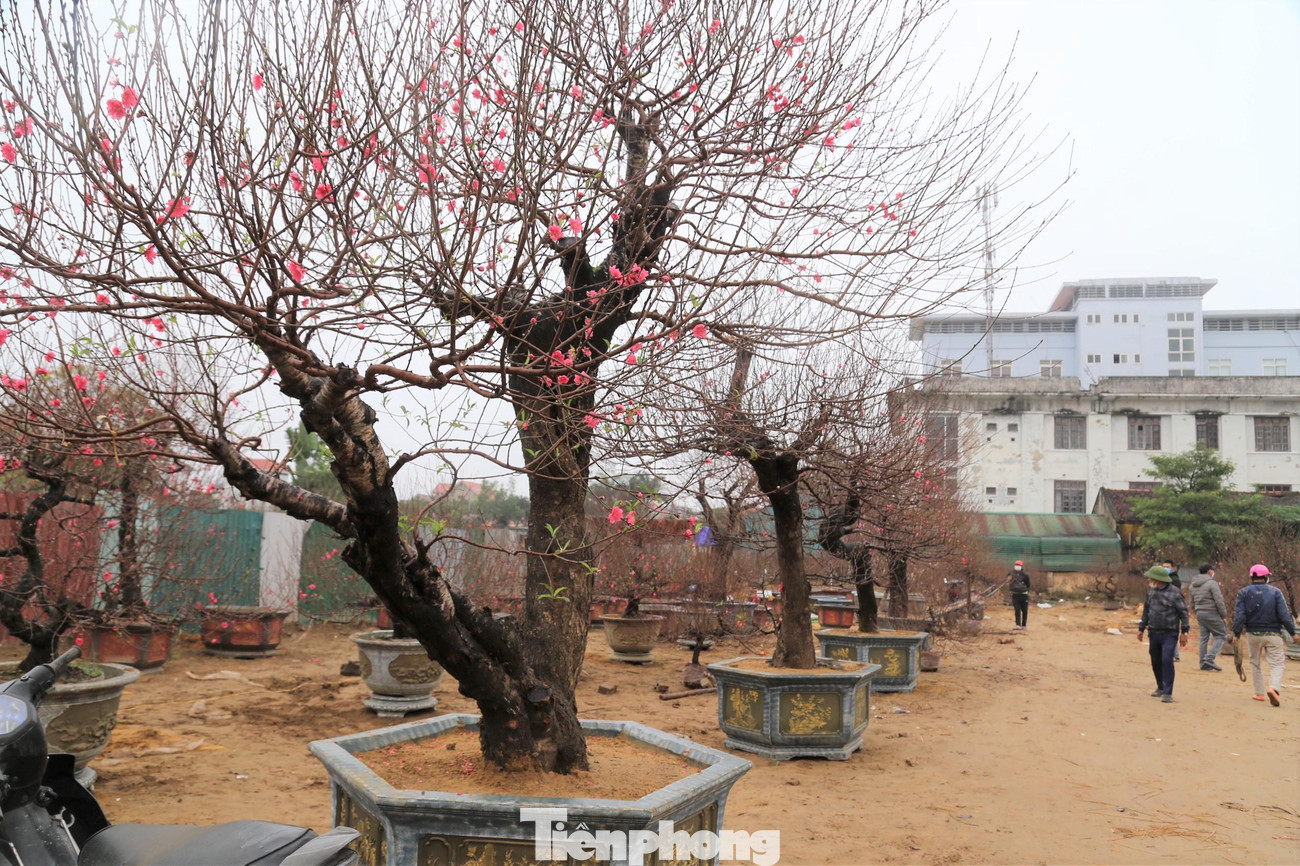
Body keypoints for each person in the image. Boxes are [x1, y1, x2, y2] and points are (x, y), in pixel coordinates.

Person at [1232, 563, 1297, 707]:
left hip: (1252, 634)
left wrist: (1236, 634)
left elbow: (1240, 616)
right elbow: (1284, 615)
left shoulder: (1243, 593)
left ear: (1252, 577)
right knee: (1277, 664)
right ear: (1266, 577)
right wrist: (1293, 633)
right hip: (1273, 634)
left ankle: (1259, 693)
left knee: (1255, 663)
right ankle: (1273, 688)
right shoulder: (1275, 592)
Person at [1137, 565, 1190, 703]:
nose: (1149, 580)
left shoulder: (1175, 593)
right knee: (1155, 660)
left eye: (1151, 578)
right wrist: (1141, 628)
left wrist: (1185, 631)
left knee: (1167, 660)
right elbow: (1146, 611)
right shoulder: (1150, 592)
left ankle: (1168, 692)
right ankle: (1160, 687)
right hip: (1154, 632)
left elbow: (1184, 613)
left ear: (1158, 579)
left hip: (1170, 632)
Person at [1189, 563, 1228, 671]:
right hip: (1212, 612)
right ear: (1209, 572)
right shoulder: (1212, 583)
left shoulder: (1193, 585)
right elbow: (1219, 600)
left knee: (1203, 638)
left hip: (1200, 613)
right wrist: (1224, 615)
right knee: (1221, 635)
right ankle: (1210, 658)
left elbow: (1191, 603)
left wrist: (1197, 611)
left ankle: (1203, 663)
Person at [1162, 560, 1184, 660]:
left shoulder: (1174, 580)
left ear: (1172, 568)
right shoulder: (1163, 579)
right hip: (1164, 609)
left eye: (1167, 566)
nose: (1165, 568)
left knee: (1171, 632)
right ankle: (1174, 653)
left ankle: (1174, 654)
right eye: (1163, 567)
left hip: (1172, 610)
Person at [1008, 560, 1030, 630]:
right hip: (1015, 594)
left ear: (1021, 566)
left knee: (1024, 610)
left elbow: (1028, 584)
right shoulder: (1011, 573)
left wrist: (1026, 590)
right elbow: (1007, 581)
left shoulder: (1025, 575)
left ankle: (1024, 625)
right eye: (1016, 565)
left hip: (1023, 595)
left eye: (1019, 565)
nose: (1017, 566)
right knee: (1017, 610)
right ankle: (1018, 625)